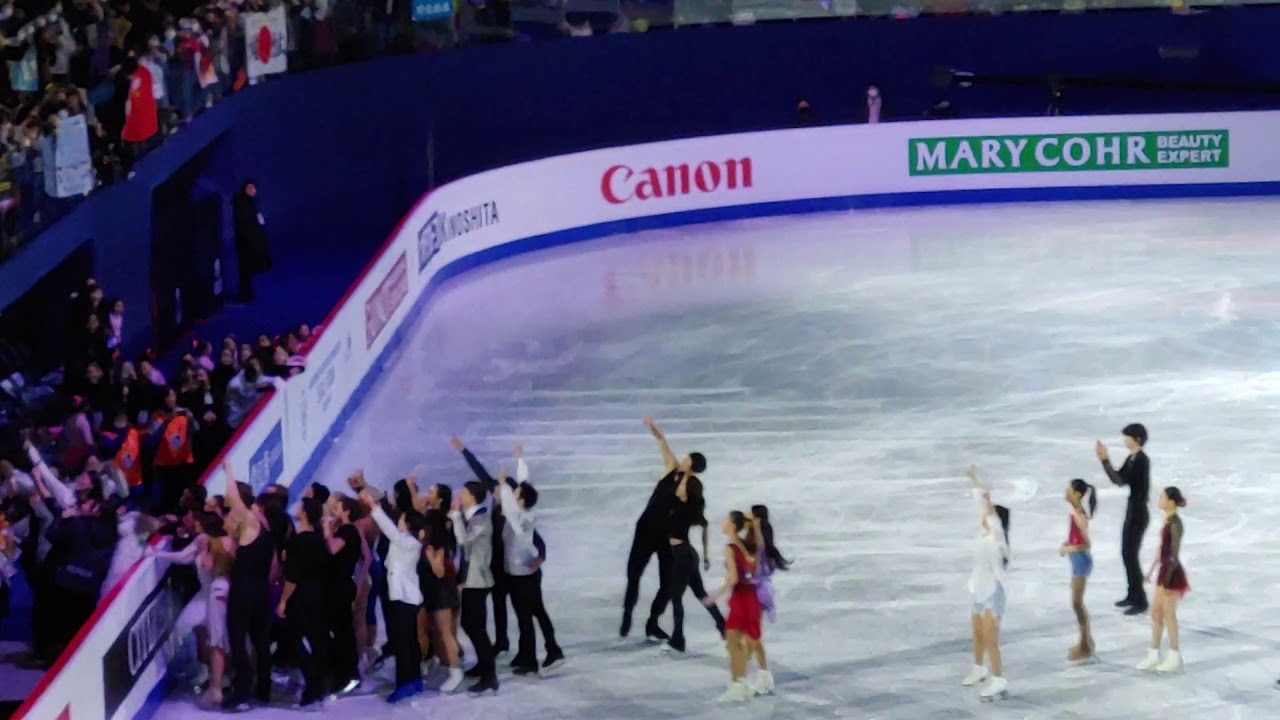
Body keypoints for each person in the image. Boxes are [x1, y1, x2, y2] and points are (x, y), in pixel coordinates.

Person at [621, 418, 706, 641]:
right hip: (646, 529)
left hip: (666, 537)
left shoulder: (692, 487)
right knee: (634, 574)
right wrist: (654, 428)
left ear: (692, 467)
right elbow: (662, 443)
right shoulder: (671, 469)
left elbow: (687, 504)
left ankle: (653, 622)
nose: (683, 459)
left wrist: (687, 478)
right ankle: (628, 612)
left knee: (667, 584)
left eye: (687, 459)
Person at [354, 472, 428, 703]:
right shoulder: (406, 541)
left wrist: (373, 506)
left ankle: (405, 683)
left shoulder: (408, 542)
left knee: (405, 643)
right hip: (404, 598)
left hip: (405, 599)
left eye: (402, 520)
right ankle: (414, 679)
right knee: (408, 642)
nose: (399, 521)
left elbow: (389, 529)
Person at [496, 447, 564, 675]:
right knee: (534, 612)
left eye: (516, 493)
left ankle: (539, 656)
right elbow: (524, 483)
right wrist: (520, 460)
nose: (514, 493)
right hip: (524, 572)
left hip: (522, 574)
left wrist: (503, 485)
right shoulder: (526, 510)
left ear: (522, 500)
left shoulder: (517, 516)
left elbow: (508, 505)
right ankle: (538, 653)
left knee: (528, 616)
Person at [221, 464, 276, 712]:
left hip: (244, 589)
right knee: (260, 640)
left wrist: (229, 471)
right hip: (261, 588)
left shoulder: (250, 522)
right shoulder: (264, 527)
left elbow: (235, 498)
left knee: (238, 639)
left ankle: (242, 691)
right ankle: (263, 689)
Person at [703, 511, 763, 704]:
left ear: (732, 525)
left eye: (726, 520)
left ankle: (737, 686)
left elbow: (734, 579)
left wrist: (715, 595)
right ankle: (741, 683)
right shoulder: (746, 545)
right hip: (752, 597)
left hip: (740, 599)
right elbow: (752, 569)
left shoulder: (730, 548)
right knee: (739, 643)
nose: (723, 522)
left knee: (733, 643)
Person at [660, 471, 723, 654]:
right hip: (686, 554)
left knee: (676, 596)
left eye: (682, 485)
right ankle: (722, 624)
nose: (678, 487)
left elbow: (704, 526)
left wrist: (706, 555)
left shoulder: (684, 507)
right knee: (700, 593)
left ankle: (678, 639)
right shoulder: (684, 506)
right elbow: (705, 526)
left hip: (682, 555)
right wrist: (705, 555)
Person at [962, 466, 1010, 702]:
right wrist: (975, 483)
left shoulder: (998, 541)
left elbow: (990, 516)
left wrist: (983, 493)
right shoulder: (983, 536)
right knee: (978, 634)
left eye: (989, 515)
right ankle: (979, 668)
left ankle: (999, 679)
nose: (983, 516)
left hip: (993, 593)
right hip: (979, 590)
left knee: (991, 640)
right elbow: (981, 508)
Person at [277, 498, 331, 708]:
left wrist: (283, 601)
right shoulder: (319, 540)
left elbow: (292, 576)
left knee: (293, 638)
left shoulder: (300, 541)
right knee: (317, 641)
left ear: (305, 513)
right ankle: (319, 683)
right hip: (319, 594)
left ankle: (312, 681)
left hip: (301, 596)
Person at [449, 480, 499, 695]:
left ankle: (490, 676)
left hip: (478, 580)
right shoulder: (472, 517)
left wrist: (455, 516)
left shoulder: (481, 519)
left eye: (464, 492)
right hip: (471, 579)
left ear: (472, 496)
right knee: (471, 625)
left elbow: (464, 540)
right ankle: (484, 666)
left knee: (475, 627)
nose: (461, 495)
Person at [1097, 423, 1150, 615]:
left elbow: (1120, 480)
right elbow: (1118, 480)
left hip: (1138, 513)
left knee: (1131, 555)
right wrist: (1105, 461)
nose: (1124, 440)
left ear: (1137, 439)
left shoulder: (1142, 460)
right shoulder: (1132, 458)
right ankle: (1132, 594)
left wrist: (1105, 460)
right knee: (1127, 554)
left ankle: (1141, 600)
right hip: (1133, 511)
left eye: (1127, 437)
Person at [1137, 487, 1189, 673]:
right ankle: (1154, 654)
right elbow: (1161, 551)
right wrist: (1151, 571)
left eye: (1162, 497)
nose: (1159, 499)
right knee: (1156, 613)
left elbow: (1173, 556)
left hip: (1172, 573)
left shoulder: (1175, 524)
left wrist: (1167, 581)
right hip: (1164, 571)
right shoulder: (1167, 520)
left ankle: (1175, 657)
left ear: (1171, 502)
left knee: (1169, 615)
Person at [323, 494, 367, 696]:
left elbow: (333, 549)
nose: (334, 509)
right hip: (338, 585)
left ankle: (348, 674)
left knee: (342, 632)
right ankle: (342, 672)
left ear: (347, 511)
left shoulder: (348, 530)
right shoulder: (345, 530)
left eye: (338, 506)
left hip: (340, 586)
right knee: (340, 631)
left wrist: (326, 529)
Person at [745, 504, 789, 696]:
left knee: (753, 636)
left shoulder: (758, 543)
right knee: (750, 636)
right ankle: (745, 676)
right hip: (760, 591)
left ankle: (764, 676)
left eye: (750, 515)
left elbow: (755, 560)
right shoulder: (762, 540)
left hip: (757, 592)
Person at [1059, 479, 1097, 662]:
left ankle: (1085, 645)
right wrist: (1067, 543)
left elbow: (1086, 544)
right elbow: (1076, 538)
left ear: (1077, 494)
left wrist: (1068, 548)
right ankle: (1086, 641)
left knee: (1077, 604)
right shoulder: (1075, 513)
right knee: (1077, 604)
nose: (1065, 492)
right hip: (1078, 561)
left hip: (1081, 561)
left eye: (1069, 490)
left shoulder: (1079, 514)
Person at [233, 180, 271, 302]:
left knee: (247, 270)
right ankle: (245, 295)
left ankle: (246, 294)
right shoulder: (243, 204)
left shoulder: (249, 203)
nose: (253, 190)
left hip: (250, 242)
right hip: (247, 243)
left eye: (254, 188)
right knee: (246, 270)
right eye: (250, 188)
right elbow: (246, 225)